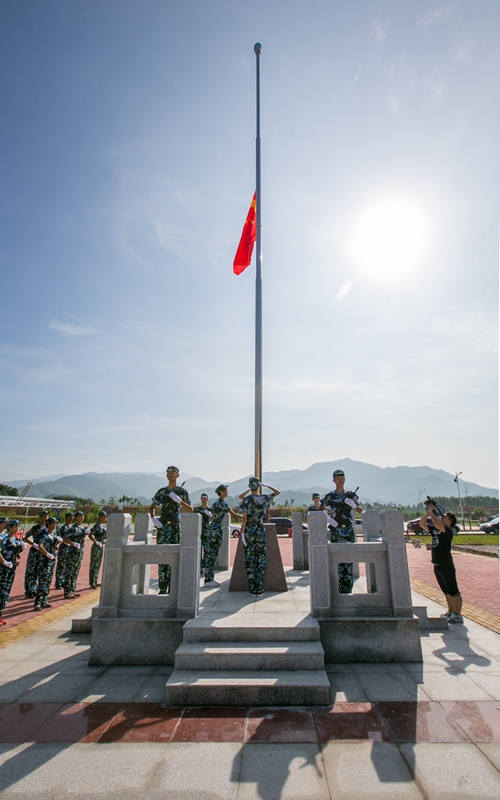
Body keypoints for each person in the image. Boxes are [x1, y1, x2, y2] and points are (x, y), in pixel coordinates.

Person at [149, 466, 193, 594]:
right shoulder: (162, 492)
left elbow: (191, 509)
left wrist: (179, 501)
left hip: (175, 527)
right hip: (163, 526)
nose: (169, 475)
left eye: (172, 473)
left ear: (177, 475)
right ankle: (162, 588)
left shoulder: (182, 492)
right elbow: (151, 507)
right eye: (168, 473)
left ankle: (173, 589)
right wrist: (154, 520)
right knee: (162, 556)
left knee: (175, 557)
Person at [419, 502, 463, 623]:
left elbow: (437, 523)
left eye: (445, 517)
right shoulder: (436, 530)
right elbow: (421, 524)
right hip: (437, 564)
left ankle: (458, 614)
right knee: (446, 591)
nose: (442, 517)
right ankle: (451, 611)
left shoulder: (448, 531)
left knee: (454, 591)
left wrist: (432, 512)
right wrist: (428, 512)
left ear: (450, 522)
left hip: (446, 565)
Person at [321, 469, 362, 594]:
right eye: (338, 478)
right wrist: (328, 519)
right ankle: (338, 589)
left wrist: (353, 505)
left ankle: (348, 588)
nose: (340, 480)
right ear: (334, 480)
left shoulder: (350, 495)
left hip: (348, 529)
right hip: (336, 529)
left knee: (349, 558)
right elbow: (320, 508)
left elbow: (360, 510)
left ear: (345, 479)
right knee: (337, 558)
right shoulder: (330, 496)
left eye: (342, 477)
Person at [239, 477, 280, 596]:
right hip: (260, 528)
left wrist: (242, 534)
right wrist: (266, 486)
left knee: (250, 558)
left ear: (250, 486)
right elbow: (277, 492)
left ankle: (252, 588)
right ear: (258, 486)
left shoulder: (246, 500)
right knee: (261, 557)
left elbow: (245, 519)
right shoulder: (264, 498)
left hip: (249, 530)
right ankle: (260, 587)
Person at [203, 485, 243, 588]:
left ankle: (209, 578)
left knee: (210, 553)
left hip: (213, 527)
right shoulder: (222, 503)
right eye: (225, 491)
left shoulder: (216, 502)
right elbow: (233, 515)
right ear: (221, 492)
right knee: (212, 554)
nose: (227, 492)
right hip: (216, 529)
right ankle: (208, 580)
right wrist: (245, 517)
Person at [0, 519, 25, 625]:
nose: (16, 528)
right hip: (3, 568)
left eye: (17, 526)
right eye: (14, 526)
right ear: (9, 527)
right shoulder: (4, 539)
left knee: (6, 592)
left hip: (11, 568)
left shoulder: (16, 540)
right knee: (1, 590)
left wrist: (22, 546)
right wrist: (4, 562)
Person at [33, 517, 59, 611]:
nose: (55, 525)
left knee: (48, 581)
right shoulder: (45, 534)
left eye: (56, 523)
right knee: (43, 581)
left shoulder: (54, 534)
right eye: (53, 523)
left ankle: (44, 600)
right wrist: (47, 554)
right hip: (44, 561)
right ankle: (38, 603)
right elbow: (40, 546)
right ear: (49, 524)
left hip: (51, 561)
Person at [61, 510, 87, 599]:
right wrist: (72, 543)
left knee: (75, 571)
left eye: (82, 516)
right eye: (80, 516)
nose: (81, 517)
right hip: (72, 552)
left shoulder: (83, 528)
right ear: (76, 517)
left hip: (79, 552)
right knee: (69, 571)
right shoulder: (73, 528)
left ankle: (72, 589)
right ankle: (67, 591)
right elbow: (64, 538)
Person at [24, 510, 49, 599]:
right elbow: (25, 537)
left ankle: (35, 589)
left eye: (47, 515)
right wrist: (33, 544)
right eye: (44, 515)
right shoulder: (35, 527)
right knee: (31, 571)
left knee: (40, 571)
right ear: (41, 517)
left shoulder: (48, 528)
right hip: (34, 552)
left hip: (43, 552)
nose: (46, 517)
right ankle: (29, 590)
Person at [193, 493, 212, 576]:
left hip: (207, 532)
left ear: (207, 499)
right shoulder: (197, 510)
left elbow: (214, 518)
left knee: (207, 550)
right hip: (199, 531)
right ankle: (199, 566)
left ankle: (205, 566)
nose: (203, 499)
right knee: (198, 550)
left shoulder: (210, 509)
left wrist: (210, 515)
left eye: (205, 498)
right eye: (202, 498)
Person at [54, 511, 74, 589]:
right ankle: (59, 582)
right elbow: (57, 536)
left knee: (69, 566)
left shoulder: (73, 527)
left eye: (72, 516)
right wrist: (62, 541)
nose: (71, 517)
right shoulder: (63, 527)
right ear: (66, 517)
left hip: (71, 549)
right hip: (64, 548)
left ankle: (65, 581)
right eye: (70, 516)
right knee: (61, 565)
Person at [88, 511, 107, 589]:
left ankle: (95, 580)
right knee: (94, 564)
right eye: (103, 516)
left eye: (105, 516)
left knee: (98, 564)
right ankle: (92, 582)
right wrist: (95, 541)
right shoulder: (96, 526)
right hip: (96, 547)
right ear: (100, 517)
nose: (105, 517)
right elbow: (90, 534)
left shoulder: (103, 526)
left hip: (101, 546)